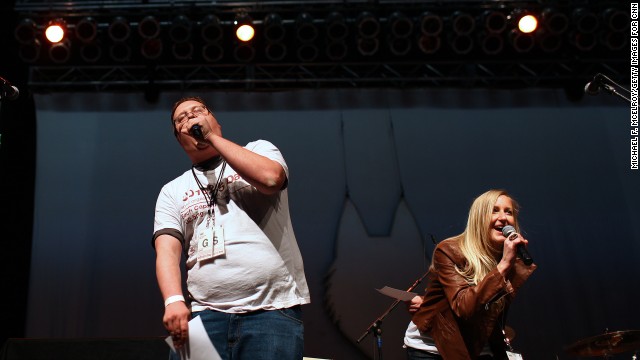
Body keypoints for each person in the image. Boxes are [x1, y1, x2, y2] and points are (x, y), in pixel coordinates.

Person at [152, 96, 310, 360]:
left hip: (271, 311)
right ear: (180, 139)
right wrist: (173, 300)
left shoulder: (260, 148)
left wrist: (212, 138)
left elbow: (271, 179)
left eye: (197, 112)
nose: (190, 118)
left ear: (215, 121)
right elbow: (167, 251)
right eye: (181, 119)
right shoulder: (172, 191)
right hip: (203, 315)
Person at [404, 189, 536, 360]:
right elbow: (464, 307)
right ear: (478, 218)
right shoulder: (449, 250)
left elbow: (491, 311)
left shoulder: (509, 260)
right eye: (494, 210)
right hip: (433, 348)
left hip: (476, 345)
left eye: (508, 212)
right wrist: (503, 266)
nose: (503, 217)